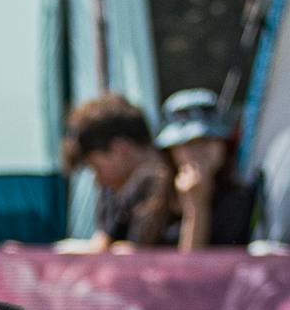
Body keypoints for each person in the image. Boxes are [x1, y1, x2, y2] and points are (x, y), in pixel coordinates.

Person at [60, 93, 173, 250]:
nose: (98, 180)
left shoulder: (177, 185)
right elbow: (102, 245)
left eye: (96, 167)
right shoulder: (113, 192)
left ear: (120, 148)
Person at [154, 88, 258, 250]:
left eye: (206, 140)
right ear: (170, 151)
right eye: (187, 144)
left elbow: (193, 270)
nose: (198, 151)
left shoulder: (241, 201)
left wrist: (196, 206)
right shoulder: (155, 199)